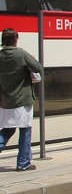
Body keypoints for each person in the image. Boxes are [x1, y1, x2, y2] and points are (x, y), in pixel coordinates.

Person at [0, 27, 43, 171]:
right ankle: (23, 163)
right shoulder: (21, 54)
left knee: (7, 130)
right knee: (25, 130)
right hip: (22, 101)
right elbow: (38, 68)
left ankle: (24, 161)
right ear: (15, 39)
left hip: (6, 101)